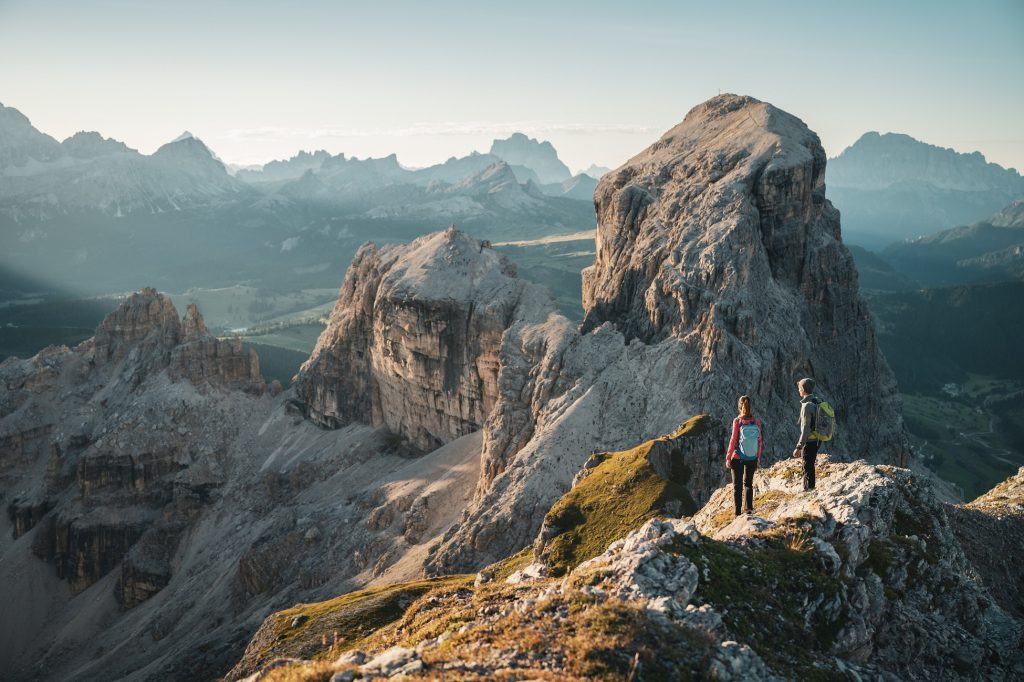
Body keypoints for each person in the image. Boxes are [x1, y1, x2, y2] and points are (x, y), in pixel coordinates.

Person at [726, 395, 763, 516]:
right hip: (752, 458)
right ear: (750, 406)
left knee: (737, 486)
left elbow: (733, 440)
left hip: (738, 457)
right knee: (748, 484)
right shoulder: (756, 422)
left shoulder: (738, 421)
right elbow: (759, 441)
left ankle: (737, 513)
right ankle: (749, 510)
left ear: (739, 406)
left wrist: (728, 457)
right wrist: (757, 457)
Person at [792, 377, 821, 491]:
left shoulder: (807, 406)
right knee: (810, 465)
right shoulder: (816, 401)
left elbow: (805, 429)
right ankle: (811, 488)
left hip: (809, 440)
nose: (798, 390)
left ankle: (808, 490)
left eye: (799, 388)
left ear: (803, 389)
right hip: (817, 438)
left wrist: (799, 446)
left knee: (807, 466)